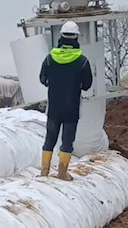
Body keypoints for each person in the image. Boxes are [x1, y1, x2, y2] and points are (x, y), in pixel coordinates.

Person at [38, 20, 93, 181]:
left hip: (54, 107)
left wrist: (53, 83)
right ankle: (62, 172)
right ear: (76, 38)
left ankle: (44, 171)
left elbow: (42, 78)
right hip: (72, 108)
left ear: (61, 36)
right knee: (67, 140)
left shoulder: (50, 58)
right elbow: (87, 85)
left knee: (50, 138)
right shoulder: (82, 62)